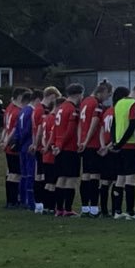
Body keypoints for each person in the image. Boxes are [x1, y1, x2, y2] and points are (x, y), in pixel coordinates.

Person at [111, 83, 135, 219]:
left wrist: (115, 142)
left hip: (119, 145)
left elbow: (114, 124)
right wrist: (123, 142)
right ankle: (130, 212)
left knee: (120, 178)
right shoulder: (133, 104)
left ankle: (117, 211)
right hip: (130, 145)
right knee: (130, 179)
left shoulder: (119, 103)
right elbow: (132, 126)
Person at [76, 81, 111, 217]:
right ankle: (94, 208)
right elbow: (94, 123)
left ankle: (85, 208)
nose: (107, 97)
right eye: (107, 94)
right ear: (102, 92)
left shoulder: (84, 102)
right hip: (93, 144)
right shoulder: (97, 104)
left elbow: (80, 123)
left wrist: (80, 140)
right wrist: (86, 141)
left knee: (85, 175)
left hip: (84, 143)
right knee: (95, 176)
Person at [52, 84, 84, 217]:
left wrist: (56, 144)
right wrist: (62, 144)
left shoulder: (61, 107)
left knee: (61, 177)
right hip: (69, 148)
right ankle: (68, 208)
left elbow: (56, 127)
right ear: (78, 94)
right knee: (71, 178)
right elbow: (70, 130)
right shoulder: (72, 109)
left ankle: (59, 208)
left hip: (59, 147)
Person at [97, 87, 128, 217]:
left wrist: (103, 145)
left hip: (105, 148)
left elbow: (102, 129)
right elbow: (118, 131)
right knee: (117, 180)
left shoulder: (107, 111)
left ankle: (104, 209)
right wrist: (110, 145)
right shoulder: (119, 111)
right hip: (115, 148)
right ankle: (116, 209)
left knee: (105, 181)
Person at [0, 87, 31, 209]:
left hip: (8, 144)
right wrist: (7, 141)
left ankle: (10, 200)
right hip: (13, 145)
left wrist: (3, 140)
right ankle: (13, 201)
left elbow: (5, 127)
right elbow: (13, 129)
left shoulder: (9, 109)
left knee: (10, 172)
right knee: (15, 173)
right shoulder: (18, 111)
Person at [35, 87, 60, 214]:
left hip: (45, 153)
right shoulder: (54, 118)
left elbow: (41, 132)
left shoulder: (46, 117)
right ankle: (50, 206)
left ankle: (45, 206)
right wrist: (48, 147)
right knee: (52, 182)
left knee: (46, 181)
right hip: (50, 153)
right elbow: (51, 135)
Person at [14, 90, 37, 210]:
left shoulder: (22, 111)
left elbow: (17, 129)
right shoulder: (31, 112)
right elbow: (29, 130)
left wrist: (17, 142)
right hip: (28, 145)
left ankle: (22, 198)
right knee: (30, 174)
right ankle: (30, 201)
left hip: (22, 146)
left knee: (23, 174)